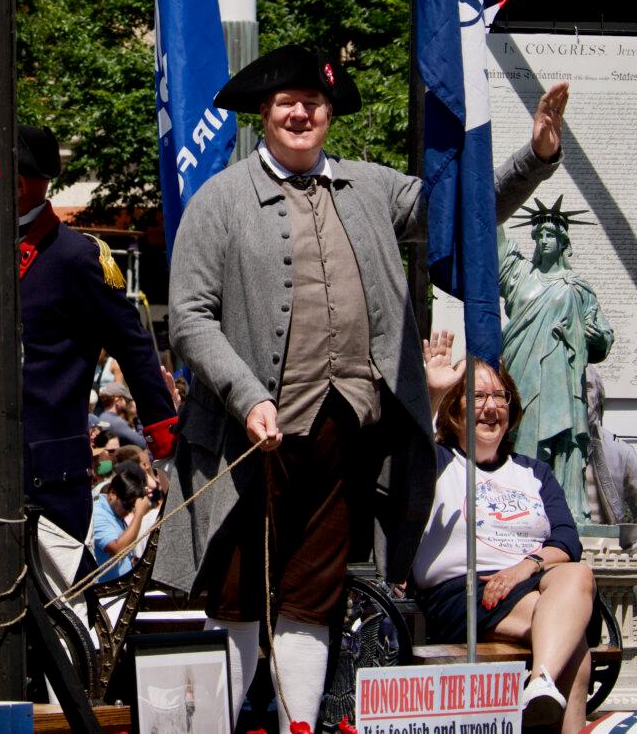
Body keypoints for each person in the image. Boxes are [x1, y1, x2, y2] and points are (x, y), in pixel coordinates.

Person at [155, 43, 567, 733]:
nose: (300, 112)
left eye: (312, 103)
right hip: (248, 439)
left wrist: (533, 156)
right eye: (286, 101)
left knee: (312, 595)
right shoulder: (219, 200)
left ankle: (300, 726)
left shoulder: (372, 188)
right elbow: (190, 319)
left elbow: (460, 217)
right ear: (264, 111)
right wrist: (247, 393)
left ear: (328, 115)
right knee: (237, 594)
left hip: (345, 434)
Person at [15, 124, 178, 600]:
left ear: (34, 182)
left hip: (47, 467)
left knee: (62, 605)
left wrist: (163, 434)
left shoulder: (76, 258)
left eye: (16, 173)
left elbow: (133, 345)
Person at [416, 336, 595, 733]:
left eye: (500, 397)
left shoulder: (534, 473)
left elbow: (567, 540)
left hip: (526, 585)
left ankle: (540, 683)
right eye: (477, 396)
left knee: (577, 575)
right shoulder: (440, 461)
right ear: (455, 409)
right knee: (573, 641)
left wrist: (521, 570)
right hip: (459, 594)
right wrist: (432, 391)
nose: (491, 407)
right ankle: (544, 686)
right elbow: (406, 456)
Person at [498, 198, 614, 524]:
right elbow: (495, 240)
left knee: (562, 442)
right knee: (519, 436)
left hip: (560, 378)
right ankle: (518, 506)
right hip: (521, 372)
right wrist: (492, 194)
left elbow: (603, 336)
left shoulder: (577, 288)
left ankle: (566, 511)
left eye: (550, 235)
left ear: (563, 241)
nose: (543, 241)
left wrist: (594, 336)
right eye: (539, 235)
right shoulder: (519, 275)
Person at [586, 365, 637, 527]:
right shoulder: (544, 450)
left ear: (599, 396)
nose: (579, 395)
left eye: (587, 387)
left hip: (607, 546)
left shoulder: (622, 453)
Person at [92, 461, 153, 582]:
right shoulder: (97, 513)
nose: (130, 510)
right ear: (112, 493)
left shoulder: (113, 510)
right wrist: (139, 513)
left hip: (122, 584)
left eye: (133, 505)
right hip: (106, 593)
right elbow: (117, 549)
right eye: (127, 504)